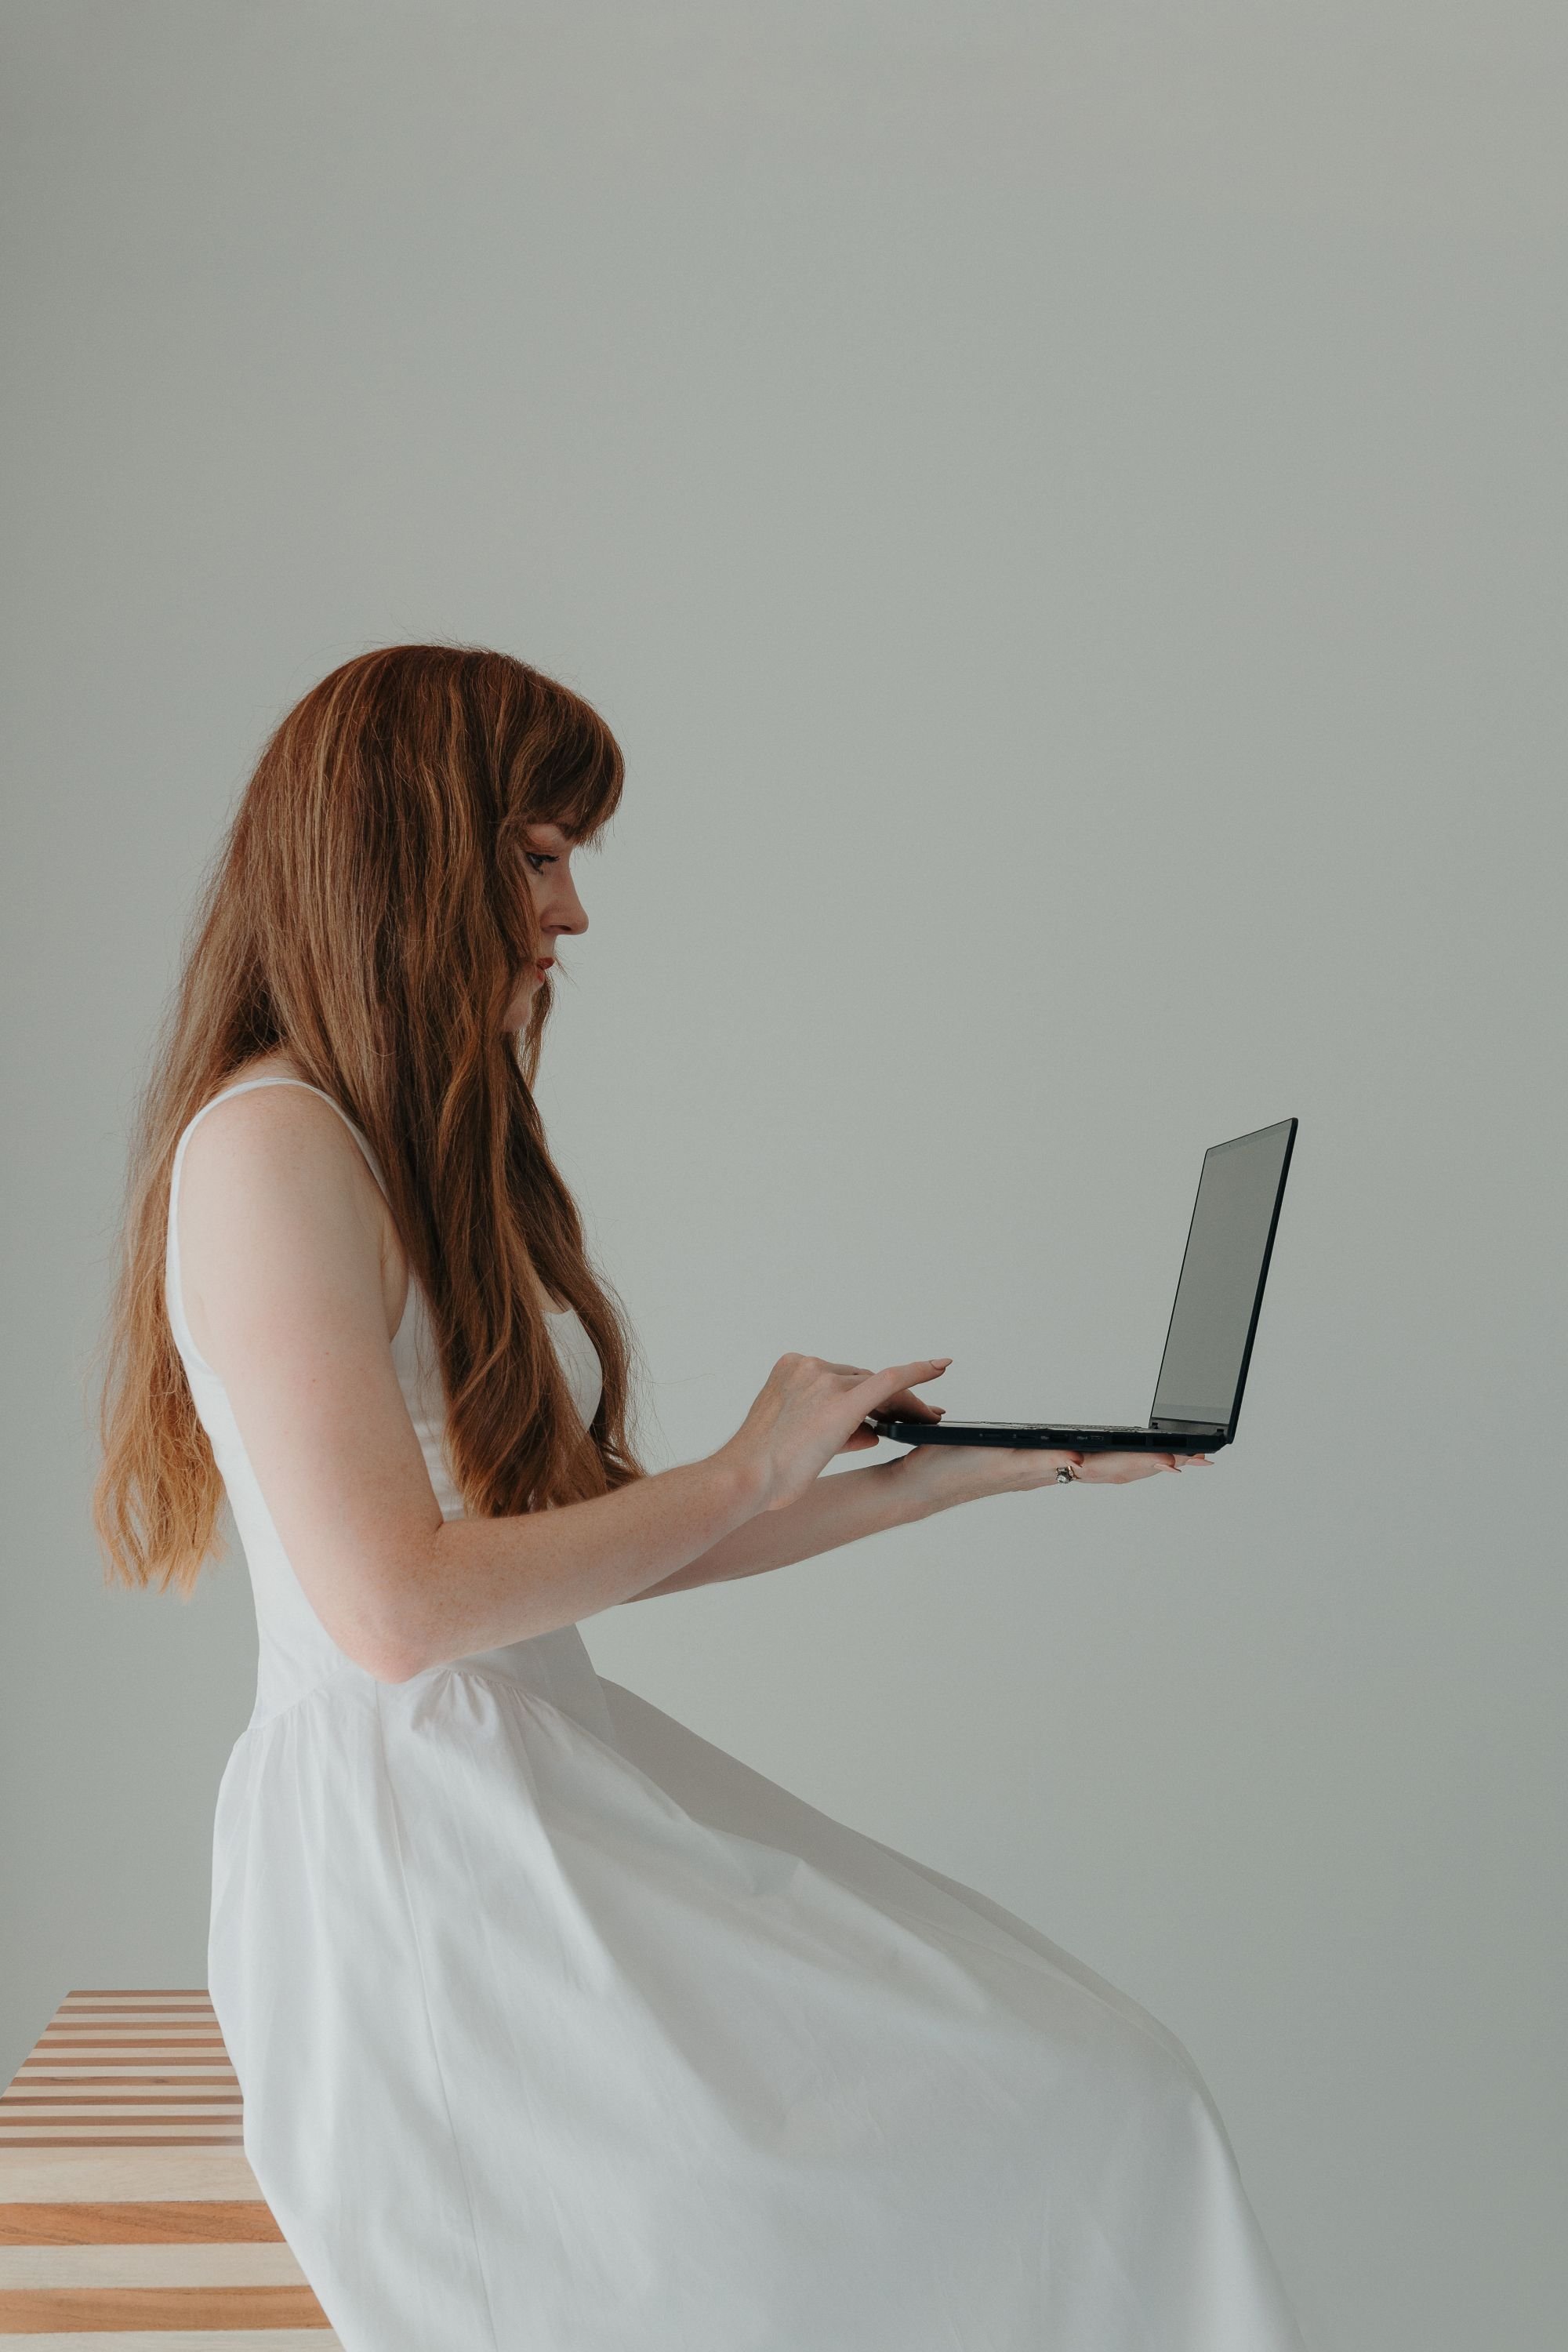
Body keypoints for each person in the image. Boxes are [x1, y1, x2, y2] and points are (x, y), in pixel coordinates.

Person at [95, 644, 1306, 2350]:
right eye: (537, 854)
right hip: (423, 1875)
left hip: (525, 1790)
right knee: (1048, 2119)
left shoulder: (384, 1143)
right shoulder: (268, 1147)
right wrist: (751, 1462)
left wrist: (963, 1474)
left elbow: (556, 1559)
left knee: (1104, 2084)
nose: (572, 911)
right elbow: (396, 1609)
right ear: (406, 852)